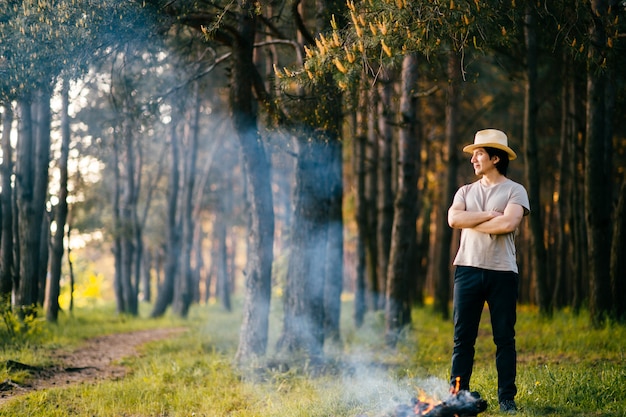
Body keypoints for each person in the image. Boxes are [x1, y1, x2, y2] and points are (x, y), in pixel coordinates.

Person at [447, 129, 530, 414]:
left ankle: (507, 398)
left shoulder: (515, 190)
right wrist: (487, 216)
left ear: (495, 157)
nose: (473, 159)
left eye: (479, 153)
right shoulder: (465, 191)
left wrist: (471, 222)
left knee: (504, 339)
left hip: (502, 272)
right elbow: (453, 218)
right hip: (467, 270)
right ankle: (458, 395)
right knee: (462, 339)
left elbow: (508, 225)